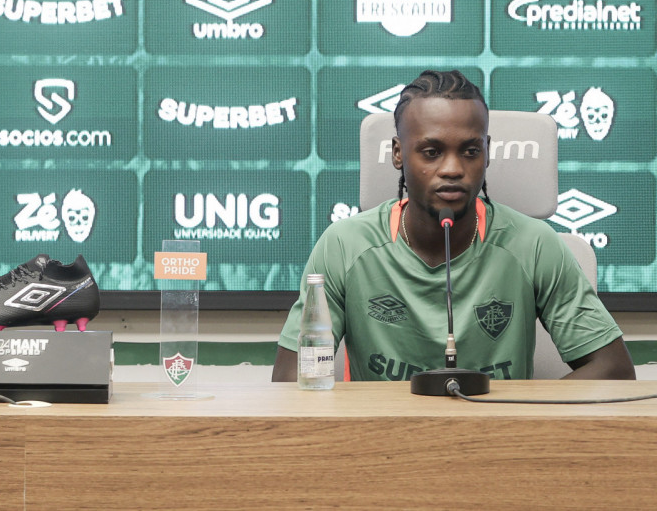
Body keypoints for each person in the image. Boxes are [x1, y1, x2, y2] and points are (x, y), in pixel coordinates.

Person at [272, 70, 634, 382]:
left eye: (469, 151)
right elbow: (292, 378)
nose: (452, 169)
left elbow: (612, 368)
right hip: (382, 448)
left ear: (487, 152)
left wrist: (521, 412)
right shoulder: (344, 246)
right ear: (398, 153)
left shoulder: (535, 245)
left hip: (498, 445)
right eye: (431, 152)